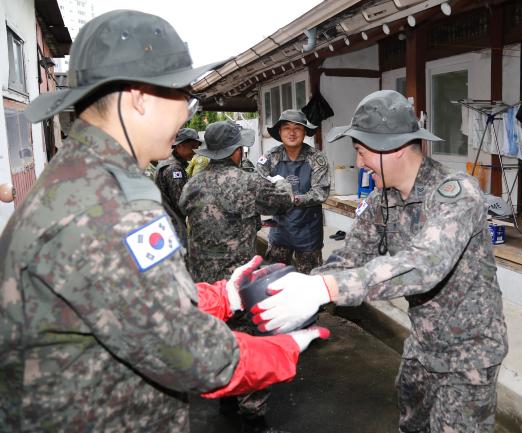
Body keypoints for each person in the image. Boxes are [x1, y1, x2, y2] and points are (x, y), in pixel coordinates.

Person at [0, 10, 327, 433]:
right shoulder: (105, 206)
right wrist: (283, 350)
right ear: (138, 98)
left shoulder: (86, 177)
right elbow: (188, 352)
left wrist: (222, 296)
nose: (184, 119)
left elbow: (131, 302)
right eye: (182, 98)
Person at [252, 90, 509, 433]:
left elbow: (425, 265)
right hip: (423, 341)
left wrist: (324, 288)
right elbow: (351, 257)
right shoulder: (381, 200)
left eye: (361, 152)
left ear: (394, 149)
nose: (359, 163)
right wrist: (298, 286)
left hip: (470, 352)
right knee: (411, 424)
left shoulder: (455, 193)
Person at [180, 121, 294, 431]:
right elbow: (282, 201)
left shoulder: (193, 184)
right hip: (237, 280)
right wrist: (282, 182)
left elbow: (183, 213)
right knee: (249, 338)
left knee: (218, 334)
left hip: (204, 279)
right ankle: (252, 409)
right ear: (235, 151)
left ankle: (225, 397)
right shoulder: (247, 182)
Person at [256, 110, 330, 274]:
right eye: (286, 127)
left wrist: (293, 199)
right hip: (280, 231)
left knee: (309, 283)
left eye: (297, 128)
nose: (292, 132)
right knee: (275, 280)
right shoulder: (271, 157)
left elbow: (320, 193)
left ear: (304, 132)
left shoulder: (316, 158)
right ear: (280, 132)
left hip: (308, 231)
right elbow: (259, 185)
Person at [155, 127, 201, 246]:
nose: (195, 151)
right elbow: (182, 203)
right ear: (179, 146)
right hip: (173, 229)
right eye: (193, 147)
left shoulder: (166, 161)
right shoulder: (174, 169)